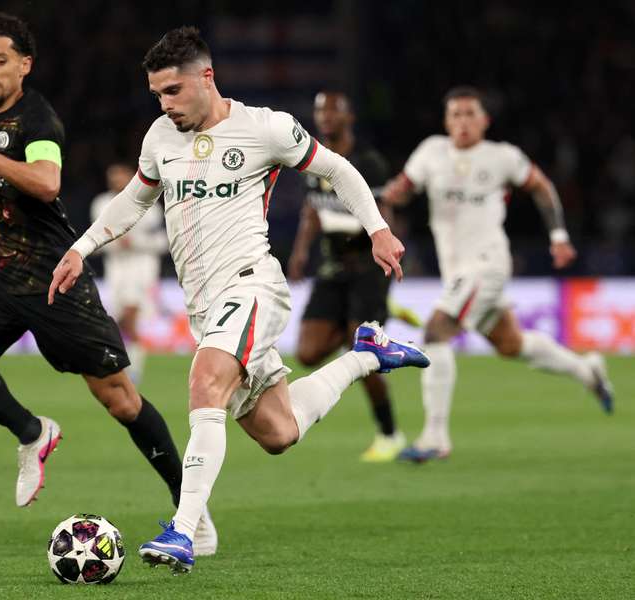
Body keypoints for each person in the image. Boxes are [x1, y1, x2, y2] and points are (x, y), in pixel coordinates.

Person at [49, 27, 430, 574]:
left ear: (207, 77)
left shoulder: (265, 128)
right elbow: (134, 198)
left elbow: (338, 169)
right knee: (279, 432)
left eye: (173, 91)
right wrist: (81, 249)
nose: (165, 104)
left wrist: (376, 230)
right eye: (157, 93)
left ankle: (184, 531)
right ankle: (369, 353)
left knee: (204, 382)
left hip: (252, 284)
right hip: (205, 306)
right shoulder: (160, 135)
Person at [0, 13, 218, 554]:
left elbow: (46, 182)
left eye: (0, 61)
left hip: (53, 278)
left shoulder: (38, 119)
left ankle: (191, 511)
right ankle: (33, 432)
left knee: (122, 402)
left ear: (25, 65)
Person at [380, 86, 614, 463]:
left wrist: (558, 236)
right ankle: (587, 370)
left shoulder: (503, 157)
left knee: (436, 331)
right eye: (455, 114)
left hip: (488, 263)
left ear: (485, 120)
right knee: (511, 344)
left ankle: (435, 437)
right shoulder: (430, 152)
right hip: (457, 270)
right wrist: (394, 193)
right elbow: (404, 189)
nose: (462, 122)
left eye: (470, 114)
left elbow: (541, 186)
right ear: (446, 121)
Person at [287, 91, 406, 462]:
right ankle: (372, 319)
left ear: (349, 117)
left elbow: (385, 210)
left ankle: (390, 434)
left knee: (364, 353)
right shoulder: (313, 159)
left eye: (332, 110)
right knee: (307, 353)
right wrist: (300, 250)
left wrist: (385, 251)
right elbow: (312, 209)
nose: (324, 116)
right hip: (332, 269)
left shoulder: (368, 162)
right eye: (319, 109)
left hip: (367, 269)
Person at [91, 163, 167, 384]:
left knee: (131, 314)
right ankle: (130, 360)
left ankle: (130, 368)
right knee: (119, 319)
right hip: (116, 269)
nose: (116, 181)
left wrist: (134, 242)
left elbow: (163, 242)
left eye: (120, 176)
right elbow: (96, 239)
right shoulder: (102, 204)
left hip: (141, 269)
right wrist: (116, 244)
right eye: (112, 177)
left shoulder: (151, 206)